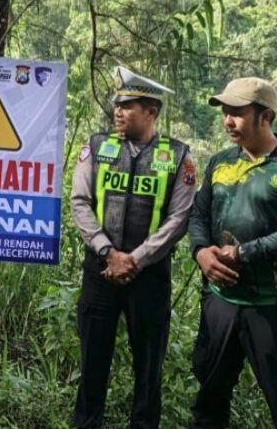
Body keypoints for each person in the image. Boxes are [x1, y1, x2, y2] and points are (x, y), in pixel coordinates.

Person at [188, 77, 277, 429]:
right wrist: (201, 252)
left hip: (273, 307)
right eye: (225, 112)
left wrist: (244, 252)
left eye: (237, 113)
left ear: (265, 116)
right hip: (220, 302)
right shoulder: (219, 164)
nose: (228, 121)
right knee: (209, 403)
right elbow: (199, 214)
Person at [69, 66, 197, 429]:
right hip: (100, 271)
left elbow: (179, 218)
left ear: (151, 111)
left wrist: (136, 259)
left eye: (127, 105)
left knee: (148, 367)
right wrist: (109, 253)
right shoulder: (97, 147)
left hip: (150, 277)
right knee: (92, 362)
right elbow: (79, 201)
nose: (118, 111)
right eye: (117, 104)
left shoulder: (178, 156)